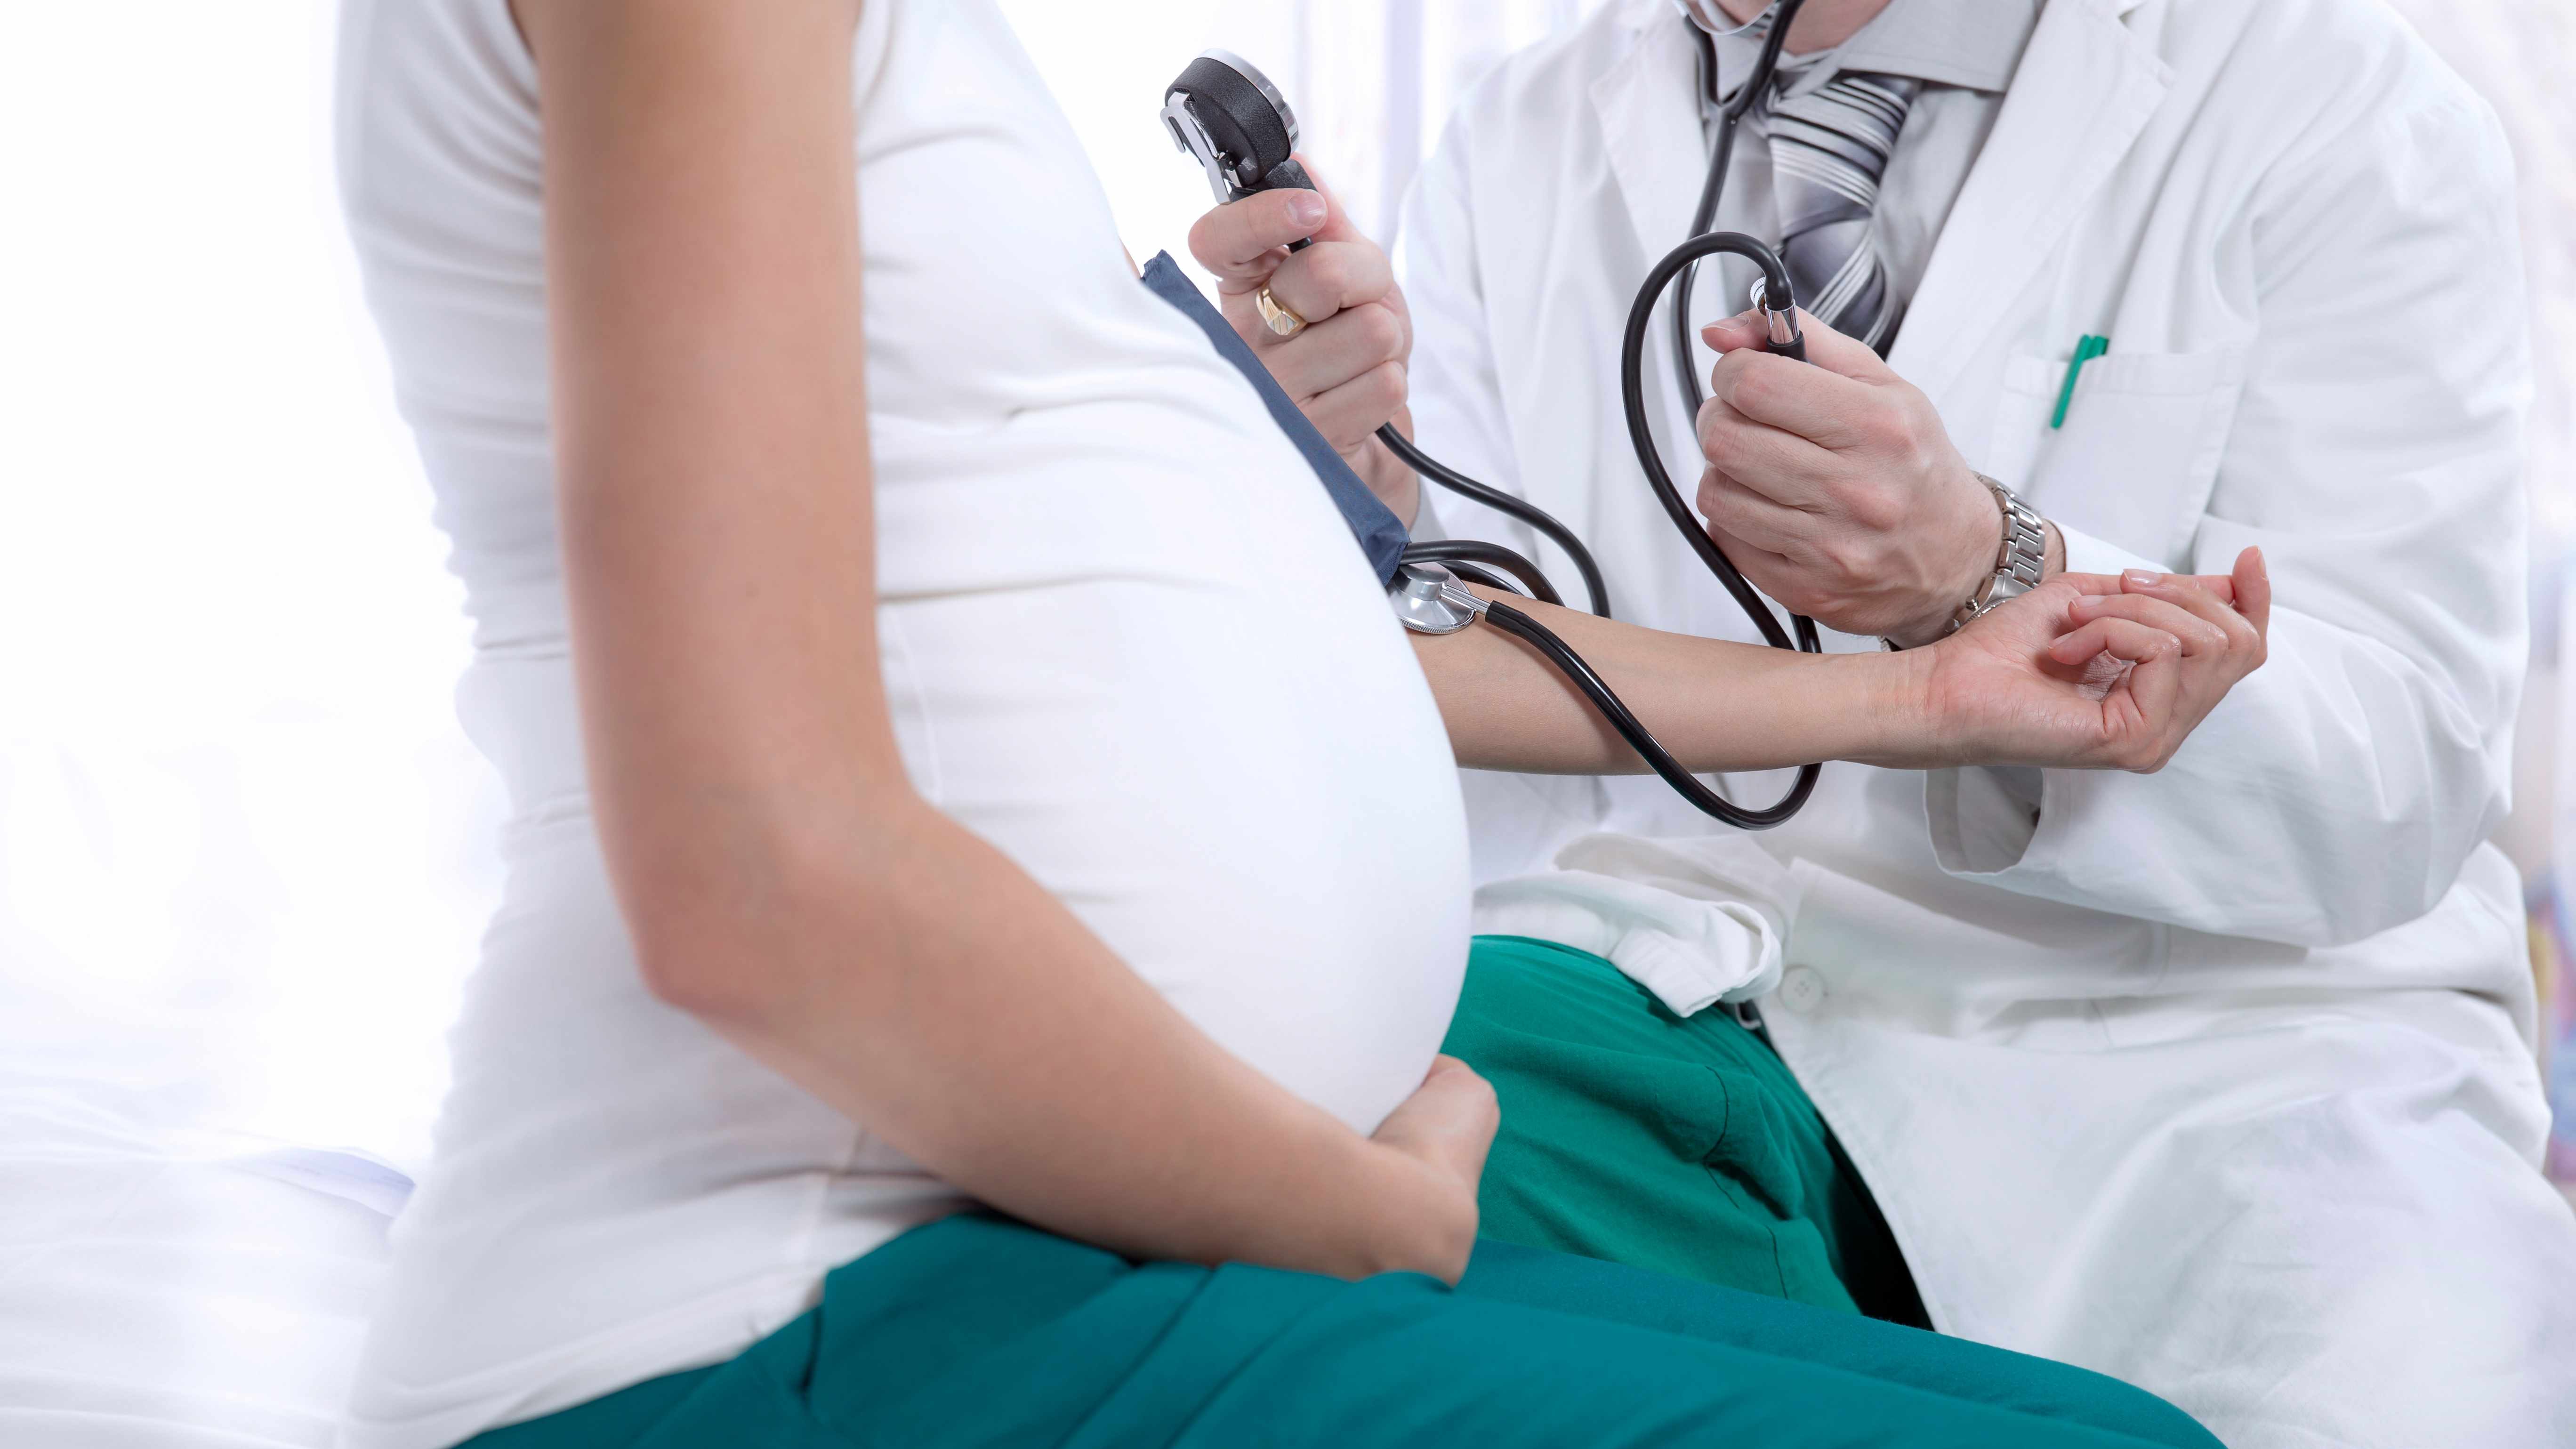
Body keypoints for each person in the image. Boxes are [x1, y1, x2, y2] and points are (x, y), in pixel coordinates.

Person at [327, 0, 2271, 1446]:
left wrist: (1920, 689)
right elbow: (756, 868)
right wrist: (1351, 1190)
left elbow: (1273, 659)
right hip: (792, 1304)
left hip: (1007, 1250)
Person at [1187, 0, 2576, 1444]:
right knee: (1248, 1196)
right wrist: (1361, 502)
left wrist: (1990, 563)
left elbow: (2396, 789)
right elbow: (1483, 738)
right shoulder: (1518, 135)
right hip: (1674, 994)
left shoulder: (2338, 106)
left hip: (2195, 1069)